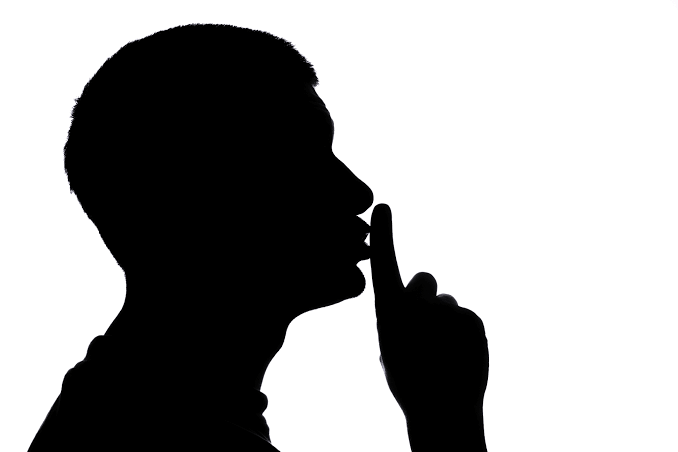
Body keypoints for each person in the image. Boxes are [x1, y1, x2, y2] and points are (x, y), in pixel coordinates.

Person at [28, 24, 489, 451]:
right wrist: (446, 422)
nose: (356, 192)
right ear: (183, 193)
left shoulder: (119, 410)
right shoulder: (156, 436)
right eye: (300, 155)